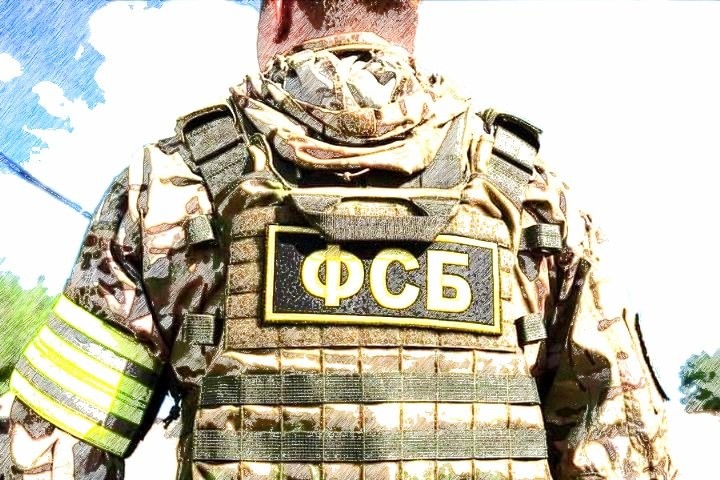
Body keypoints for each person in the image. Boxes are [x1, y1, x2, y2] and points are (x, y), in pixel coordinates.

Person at [7, 0, 677, 478]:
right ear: (413, 14)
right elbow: (627, 456)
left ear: (280, 12)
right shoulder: (533, 194)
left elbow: (45, 455)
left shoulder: (170, 186)